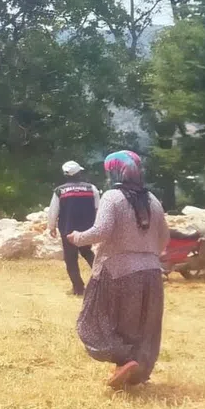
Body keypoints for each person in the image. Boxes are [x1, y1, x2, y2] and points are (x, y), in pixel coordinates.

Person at [67, 151, 169, 389]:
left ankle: (124, 360)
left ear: (114, 172)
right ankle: (133, 371)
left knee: (93, 322)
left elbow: (101, 230)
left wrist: (77, 237)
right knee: (143, 326)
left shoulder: (112, 197)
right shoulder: (154, 200)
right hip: (152, 273)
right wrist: (147, 252)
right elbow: (164, 237)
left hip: (117, 271)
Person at [48, 160, 101, 296]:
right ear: (79, 174)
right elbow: (98, 209)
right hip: (88, 229)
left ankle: (78, 288)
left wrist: (51, 226)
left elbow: (53, 211)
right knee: (88, 253)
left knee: (71, 259)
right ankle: (102, 280)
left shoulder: (59, 191)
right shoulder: (92, 188)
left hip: (67, 229)